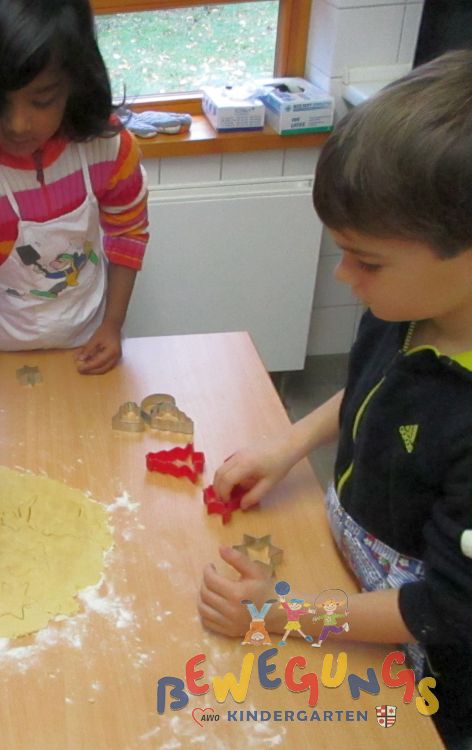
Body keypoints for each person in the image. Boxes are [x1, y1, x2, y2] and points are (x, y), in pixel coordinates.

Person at [197, 51, 472, 748]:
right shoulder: (414, 303)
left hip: (431, 670)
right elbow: (380, 387)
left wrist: (281, 614)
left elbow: (444, 609)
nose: (345, 276)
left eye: (367, 260)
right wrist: (287, 444)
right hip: (353, 573)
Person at [0, 0, 149, 536]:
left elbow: (128, 231)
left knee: (95, 490)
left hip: (85, 352)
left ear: (76, 83)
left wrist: (113, 325)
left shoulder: (109, 150)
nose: (17, 123)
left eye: (42, 100)